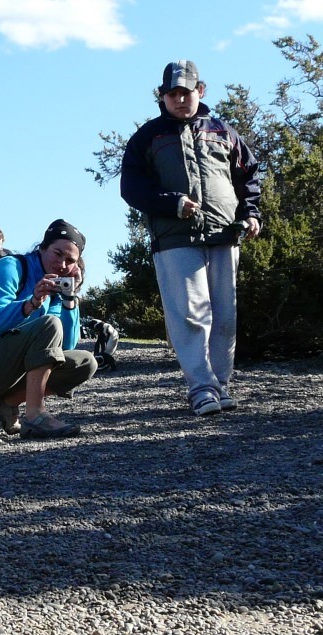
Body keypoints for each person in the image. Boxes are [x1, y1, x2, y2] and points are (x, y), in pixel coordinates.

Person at [120, 59, 262, 416]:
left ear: (201, 90)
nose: (180, 99)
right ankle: (201, 388)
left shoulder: (225, 132)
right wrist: (172, 203)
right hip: (174, 239)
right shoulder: (147, 137)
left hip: (225, 234)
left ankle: (221, 385)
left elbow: (249, 176)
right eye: (173, 94)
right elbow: (132, 188)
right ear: (162, 96)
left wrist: (251, 214)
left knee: (224, 315)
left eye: (187, 92)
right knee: (190, 315)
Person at [0, 219, 97, 439]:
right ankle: (35, 416)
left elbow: (63, 348)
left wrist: (69, 299)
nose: (62, 264)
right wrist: (32, 302)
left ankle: (5, 404)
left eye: (70, 260)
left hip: (8, 369)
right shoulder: (11, 267)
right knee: (49, 324)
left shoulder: (54, 287)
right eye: (57, 254)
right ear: (43, 247)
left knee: (85, 362)